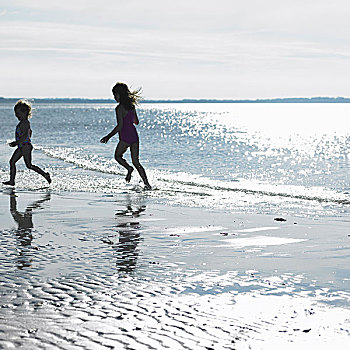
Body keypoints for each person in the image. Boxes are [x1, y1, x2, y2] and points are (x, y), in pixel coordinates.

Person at [100, 82, 151, 189]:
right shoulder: (131, 106)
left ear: (120, 94)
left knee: (118, 156)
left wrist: (108, 137)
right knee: (136, 162)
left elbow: (120, 126)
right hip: (134, 136)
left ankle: (128, 169)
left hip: (125, 137)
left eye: (115, 95)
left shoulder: (119, 108)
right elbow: (136, 122)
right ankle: (147, 184)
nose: (114, 97)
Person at [2, 99, 51, 186]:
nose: (17, 115)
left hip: (25, 146)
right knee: (12, 162)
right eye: (16, 113)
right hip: (21, 146)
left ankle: (45, 174)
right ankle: (11, 181)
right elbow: (30, 133)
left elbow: (25, 136)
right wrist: (19, 143)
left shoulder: (25, 123)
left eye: (18, 113)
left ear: (25, 113)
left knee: (29, 165)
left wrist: (16, 142)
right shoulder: (22, 123)